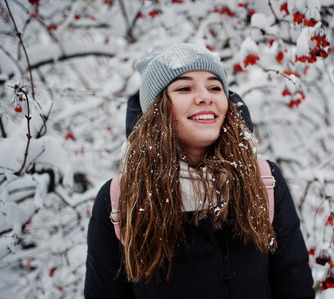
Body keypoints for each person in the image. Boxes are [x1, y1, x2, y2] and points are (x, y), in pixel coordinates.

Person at [84, 43, 315, 299]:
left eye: (215, 87)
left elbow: (294, 286)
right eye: (184, 87)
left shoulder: (263, 180)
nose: (206, 96)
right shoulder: (120, 198)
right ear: (156, 110)